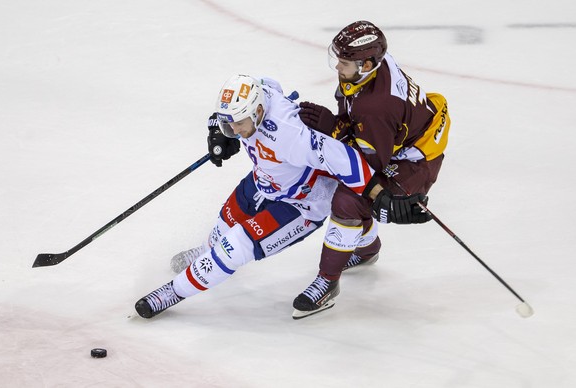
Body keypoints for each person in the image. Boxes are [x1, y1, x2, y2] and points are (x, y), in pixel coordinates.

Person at [134, 74, 424, 318]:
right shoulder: (259, 94)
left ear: (259, 113)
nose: (234, 131)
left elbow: (346, 160)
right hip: (264, 179)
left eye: (238, 124)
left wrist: (380, 195)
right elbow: (260, 86)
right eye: (229, 123)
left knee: (235, 247)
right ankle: (367, 245)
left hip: (302, 202)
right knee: (224, 224)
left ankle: (172, 292)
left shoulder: (292, 135)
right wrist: (218, 130)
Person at [292, 20, 451, 319]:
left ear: (366, 65)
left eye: (344, 62)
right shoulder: (370, 72)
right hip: (397, 138)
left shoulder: (376, 108)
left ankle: (328, 281)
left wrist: (333, 128)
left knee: (349, 198)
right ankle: (365, 250)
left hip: (414, 161)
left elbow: (368, 163)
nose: (338, 67)